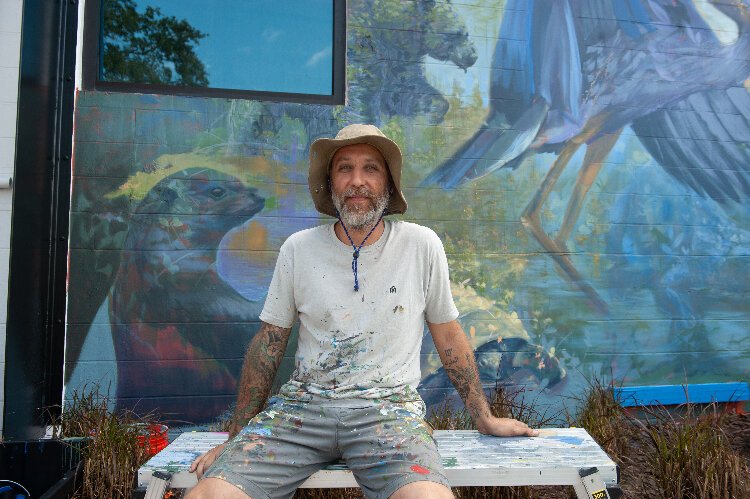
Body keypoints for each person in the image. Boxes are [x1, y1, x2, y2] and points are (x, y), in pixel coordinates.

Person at [186, 124, 538, 499]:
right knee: (211, 494)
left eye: (371, 168)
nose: (357, 181)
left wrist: (484, 417)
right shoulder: (298, 249)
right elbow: (269, 344)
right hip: (300, 414)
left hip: (389, 416)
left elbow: (448, 335)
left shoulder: (421, 245)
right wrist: (237, 438)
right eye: (344, 168)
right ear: (330, 182)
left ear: (388, 183)